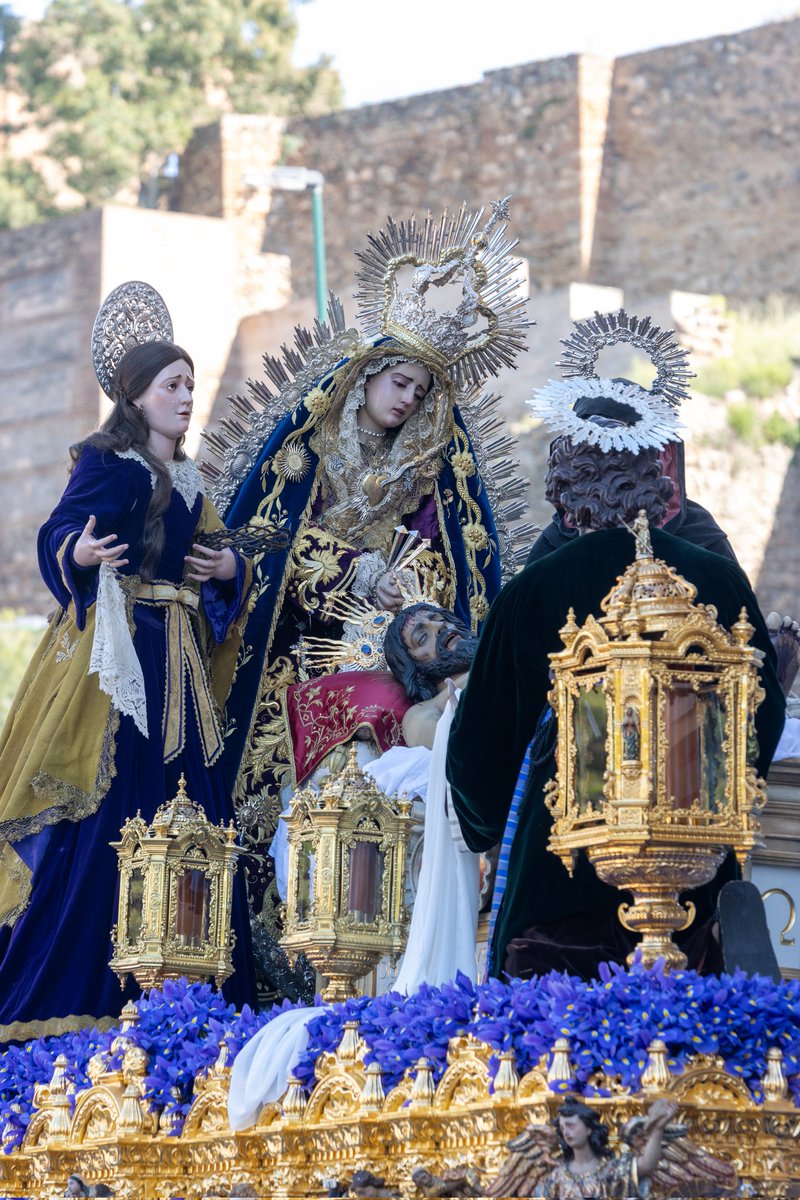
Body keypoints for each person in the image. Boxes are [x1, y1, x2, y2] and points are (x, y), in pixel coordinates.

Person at [206, 199, 532, 943]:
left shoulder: (428, 473)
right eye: (400, 383)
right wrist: (353, 570)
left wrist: (411, 595)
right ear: (369, 374)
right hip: (297, 659)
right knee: (279, 797)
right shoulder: (309, 455)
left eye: (421, 391)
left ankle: (390, 934)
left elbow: (455, 570)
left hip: (397, 664)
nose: (409, 399)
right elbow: (267, 543)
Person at [447, 378, 785, 982]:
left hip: (561, 880)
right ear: (655, 474)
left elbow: (480, 753)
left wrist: (488, 828)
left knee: (549, 1066)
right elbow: (764, 713)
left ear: (566, 476)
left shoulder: (534, 592)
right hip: (696, 880)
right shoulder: (720, 581)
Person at [0, 283, 256, 1041]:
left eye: (189, 385)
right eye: (172, 385)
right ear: (136, 398)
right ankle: (82, 990)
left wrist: (228, 574)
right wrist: (75, 552)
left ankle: (194, 979)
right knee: (114, 811)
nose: (186, 396)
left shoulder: (193, 480)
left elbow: (222, 564)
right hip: (125, 667)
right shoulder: (111, 464)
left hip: (179, 664)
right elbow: (59, 531)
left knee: (192, 809)